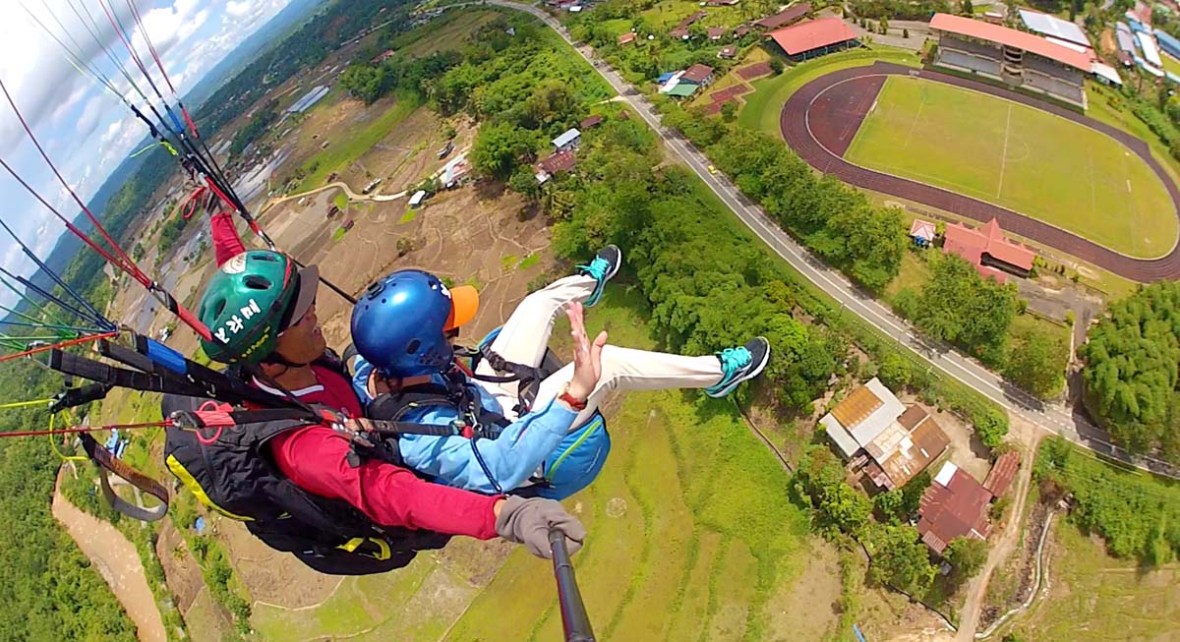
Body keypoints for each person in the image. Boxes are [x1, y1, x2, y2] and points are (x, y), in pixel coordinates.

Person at [162, 246, 593, 575]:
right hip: (419, 479)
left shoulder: (291, 364)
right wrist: (504, 515)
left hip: (387, 425)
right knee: (574, 439)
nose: (313, 312)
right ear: (268, 355)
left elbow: (247, 302)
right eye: (299, 316)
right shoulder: (304, 449)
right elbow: (391, 493)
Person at [348, 246, 771, 500]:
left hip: (482, 401)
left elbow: (368, 349)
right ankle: (719, 373)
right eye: (449, 329)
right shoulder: (423, 437)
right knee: (609, 365)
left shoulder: (385, 362)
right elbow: (499, 470)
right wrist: (573, 394)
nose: (456, 331)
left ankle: (588, 285)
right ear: (425, 350)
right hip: (515, 440)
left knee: (536, 304)